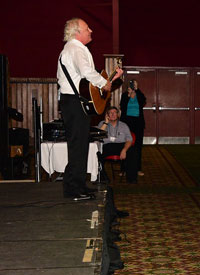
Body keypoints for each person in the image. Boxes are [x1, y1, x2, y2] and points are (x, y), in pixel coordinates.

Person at [57, 18, 123, 199]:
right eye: (87, 28)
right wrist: (104, 83)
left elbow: (85, 78)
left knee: (80, 145)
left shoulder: (74, 49)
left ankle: (78, 184)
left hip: (74, 102)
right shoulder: (75, 48)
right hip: (73, 102)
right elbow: (86, 71)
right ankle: (73, 189)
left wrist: (105, 82)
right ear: (77, 32)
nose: (91, 30)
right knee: (78, 145)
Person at [97, 106, 137, 183]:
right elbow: (98, 136)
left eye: (114, 112)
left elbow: (129, 139)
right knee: (97, 154)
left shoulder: (123, 125)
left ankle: (132, 179)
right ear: (107, 115)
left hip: (121, 146)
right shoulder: (102, 124)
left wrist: (124, 150)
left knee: (133, 151)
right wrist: (106, 122)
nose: (112, 114)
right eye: (110, 113)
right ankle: (103, 178)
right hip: (107, 146)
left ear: (118, 115)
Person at [119, 79, 146, 176]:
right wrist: (128, 96)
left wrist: (137, 90)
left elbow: (143, 102)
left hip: (138, 124)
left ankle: (138, 169)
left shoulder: (139, 95)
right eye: (131, 85)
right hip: (126, 123)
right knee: (125, 145)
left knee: (137, 147)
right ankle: (124, 169)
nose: (132, 86)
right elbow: (122, 106)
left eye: (134, 84)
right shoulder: (124, 95)